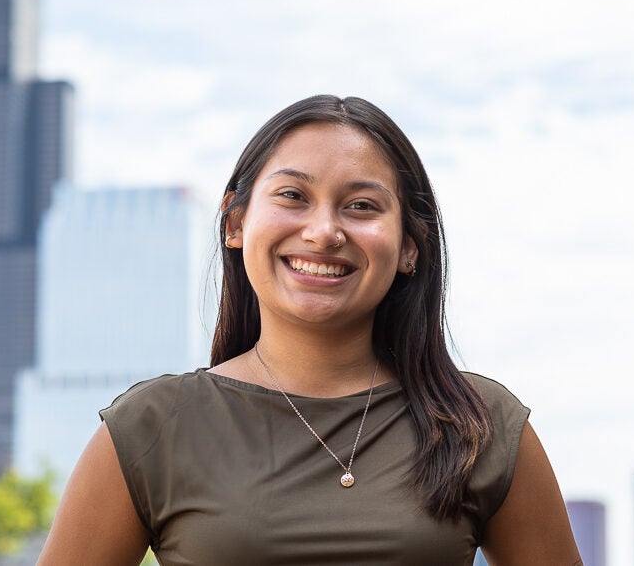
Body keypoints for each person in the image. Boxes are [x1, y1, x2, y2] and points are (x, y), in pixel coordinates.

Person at [37, 95, 581, 565]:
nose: (323, 232)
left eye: (362, 206)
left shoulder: (480, 424)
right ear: (235, 222)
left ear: (410, 246)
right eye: (292, 196)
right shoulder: (151, 426)